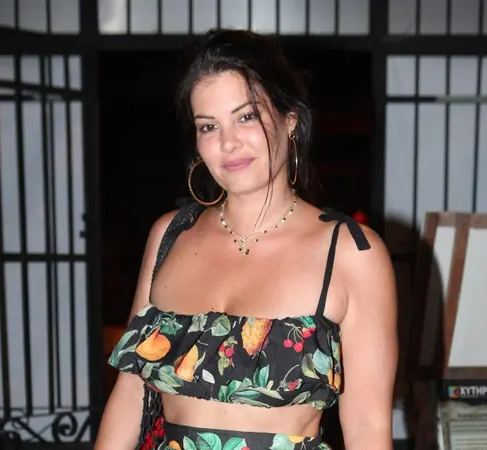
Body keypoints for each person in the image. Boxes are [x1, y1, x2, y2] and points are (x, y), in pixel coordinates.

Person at [95, 28, 398, 450]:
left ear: (289, 119)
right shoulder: (171, 234)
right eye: (208, 126)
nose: (228, 143)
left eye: (246, 117)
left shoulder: (350, 252)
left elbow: (367, 426)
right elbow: (130, 394)